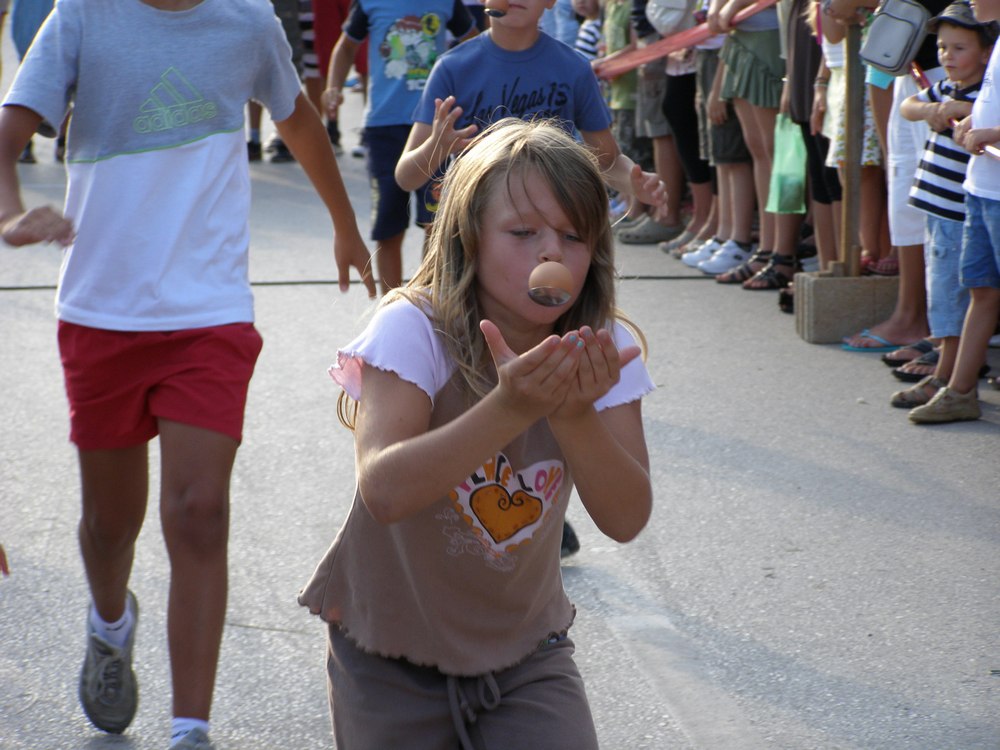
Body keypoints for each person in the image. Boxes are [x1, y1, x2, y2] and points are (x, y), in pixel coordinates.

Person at [0, 1, 374, 748]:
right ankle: (110, 622)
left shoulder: (248, 21)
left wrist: (344, 223)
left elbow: (296, 118)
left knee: (199, 512)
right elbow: (6, 139)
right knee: (112, 526)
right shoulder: (82, 16)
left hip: (209, 310)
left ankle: (190, 729)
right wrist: (11, 217)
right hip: (101, 313)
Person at [300, 117, 654, 750]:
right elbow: (384, 489)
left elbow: (626, 517)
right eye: (523, 233)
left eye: (575, 237)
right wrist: (511, 408)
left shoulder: (606, 345)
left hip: (527, 654)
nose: (552, 253)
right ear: (469, 235)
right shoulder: (412, 327)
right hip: (389, 652)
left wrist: (572, 415)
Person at [394, 0, 667, 227]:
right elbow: (406, 177)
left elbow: (606, 161)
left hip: (553, 226)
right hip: (474, 226)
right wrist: (437, 147)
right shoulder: (451, 69)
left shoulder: (573, 68)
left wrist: (634, 182)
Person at [322, 1, 478, 295]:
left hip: (435, 128)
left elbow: (476, 44)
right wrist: (333, 86)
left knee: (436, 224)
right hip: (384, 126)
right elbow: (345, 47)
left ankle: (428, 302)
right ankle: (391, 308)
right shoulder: (369, 3)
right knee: (388, 227)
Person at [891, 1, 996, 410]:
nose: (947, 57)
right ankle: (945, 373)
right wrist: (934, 108)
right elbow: (908, 105)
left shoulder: (979, 93)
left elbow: (986, 113)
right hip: (936, 209)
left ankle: (946, 374)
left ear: (986, 52)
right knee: (944, 293)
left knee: (952, 297)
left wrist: (964, 111)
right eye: (943, 48)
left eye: (959, 48)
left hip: (959, 209)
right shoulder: (947, 88)